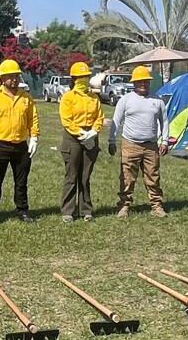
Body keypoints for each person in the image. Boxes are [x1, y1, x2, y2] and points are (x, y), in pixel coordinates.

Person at [0, 59, 38, 224]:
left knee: (21, 182)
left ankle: (22, 211)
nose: (14, 79)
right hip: (0, 145)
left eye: (16, 76)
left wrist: (34, 137)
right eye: (10, 76)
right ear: (2, 78)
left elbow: (32, 119)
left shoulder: (26, 98)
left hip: (20, 146)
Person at [109, 66, 168, 218]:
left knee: (153, 176)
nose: (143, 84)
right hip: (130, 144)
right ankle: (124, 206)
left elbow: (164, 121)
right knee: (127, 177)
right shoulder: (125, 100)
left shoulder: (157, 100)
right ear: (134, 82)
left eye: (146, 81)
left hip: (151, 146)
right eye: (140, 81)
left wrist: (165, 141)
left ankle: (156, 206)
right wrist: (112, 140)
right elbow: (116, 120)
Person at [59, 61, 103, 222]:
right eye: (80, 78)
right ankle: (68, 211)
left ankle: (86, 210)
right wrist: (80, 133)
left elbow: (99, 116)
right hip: (72, 138)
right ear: (73, 79)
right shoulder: (68, 97)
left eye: (85, 77)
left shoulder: (94, 97)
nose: (83, 80)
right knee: (71, 175)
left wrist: (94, 131)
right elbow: (66, 119)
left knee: (85, 176)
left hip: (90, 137)